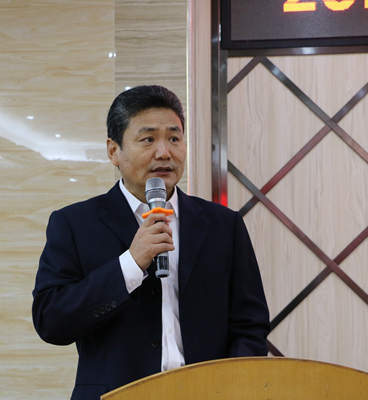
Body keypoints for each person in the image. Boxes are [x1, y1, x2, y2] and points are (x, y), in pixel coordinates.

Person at [32, 85, 270, 400]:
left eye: (174, 138)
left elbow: (250, 324)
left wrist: (230, 388)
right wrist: (131, 263)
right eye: (148, 139)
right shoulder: (75, 223)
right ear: (113, 151)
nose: (164, 152)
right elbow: (51, 321)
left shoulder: (223, 224)